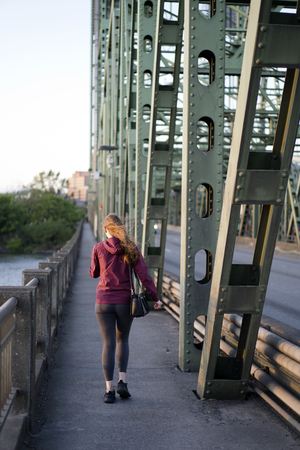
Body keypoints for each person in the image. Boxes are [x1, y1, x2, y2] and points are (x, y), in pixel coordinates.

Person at [89, 213, 162, 403]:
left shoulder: (98, 248)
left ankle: (109, 391)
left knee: (108, 343)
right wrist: (155, 298)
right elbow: (144, 276)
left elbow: (94, 274)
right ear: (120, 229)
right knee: (123, 341)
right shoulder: (130, 248)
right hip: (124, 302)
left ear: (105, 229)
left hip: (103, 302)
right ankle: (123, 382)